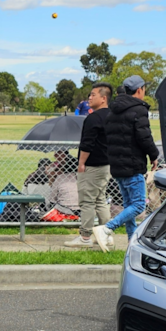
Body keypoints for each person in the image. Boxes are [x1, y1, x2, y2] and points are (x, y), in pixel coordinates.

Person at [93, 75, 160, 252]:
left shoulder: (113, 110)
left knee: (129, 205)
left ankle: (131, 245)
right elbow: (144, 137)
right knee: (138, 205)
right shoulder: (138, 110)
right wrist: (154, 155)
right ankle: (107, 229)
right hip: (132, 164)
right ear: (139, 90)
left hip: (117, 165)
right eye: (144, 89)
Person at [65, 83, 113, 249]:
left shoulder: (93, 118)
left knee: (87, 201)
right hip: (107, 164)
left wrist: (81, 163)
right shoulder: (113, 116)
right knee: (100, 200)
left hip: (92, 165)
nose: (89, 98)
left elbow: (88, 143)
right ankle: (107, 235)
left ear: (103, 98)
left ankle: (85, 236)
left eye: (93, 95)